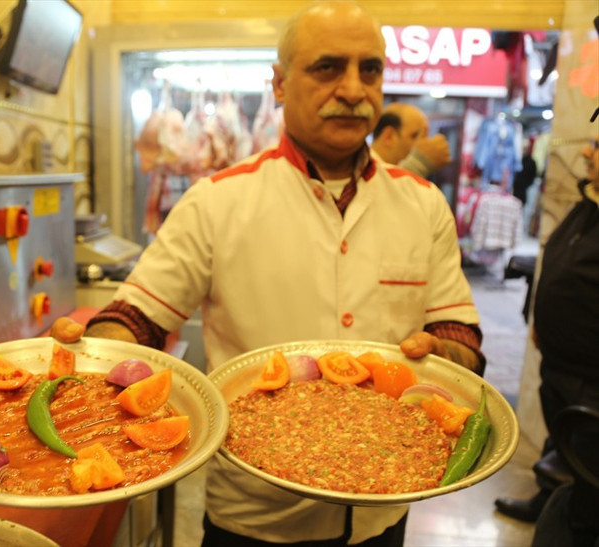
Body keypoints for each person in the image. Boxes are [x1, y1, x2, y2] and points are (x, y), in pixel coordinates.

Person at [86, 1, 485, 544]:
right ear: (279, 84)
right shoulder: (218, 201)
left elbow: (459, 335)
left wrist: (443, 356)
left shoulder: (423, 203)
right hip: (256, 514)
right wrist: (91, 359)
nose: (353, 89)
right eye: (328, 67)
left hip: (386, 505)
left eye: (369, 69)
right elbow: (137, 318)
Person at [495, 134, 599, 526]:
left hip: (591, 376)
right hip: (560, 362)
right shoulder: (588, 202)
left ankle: (574, 526)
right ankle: (548, 502)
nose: (586, 152)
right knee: (560, 444)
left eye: (597, 145)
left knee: (586, 468)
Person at [370, 102, 451, 178]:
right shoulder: (366, 170)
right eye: (415, 136)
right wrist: (420, 163)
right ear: (389, 137)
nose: (423, 144)